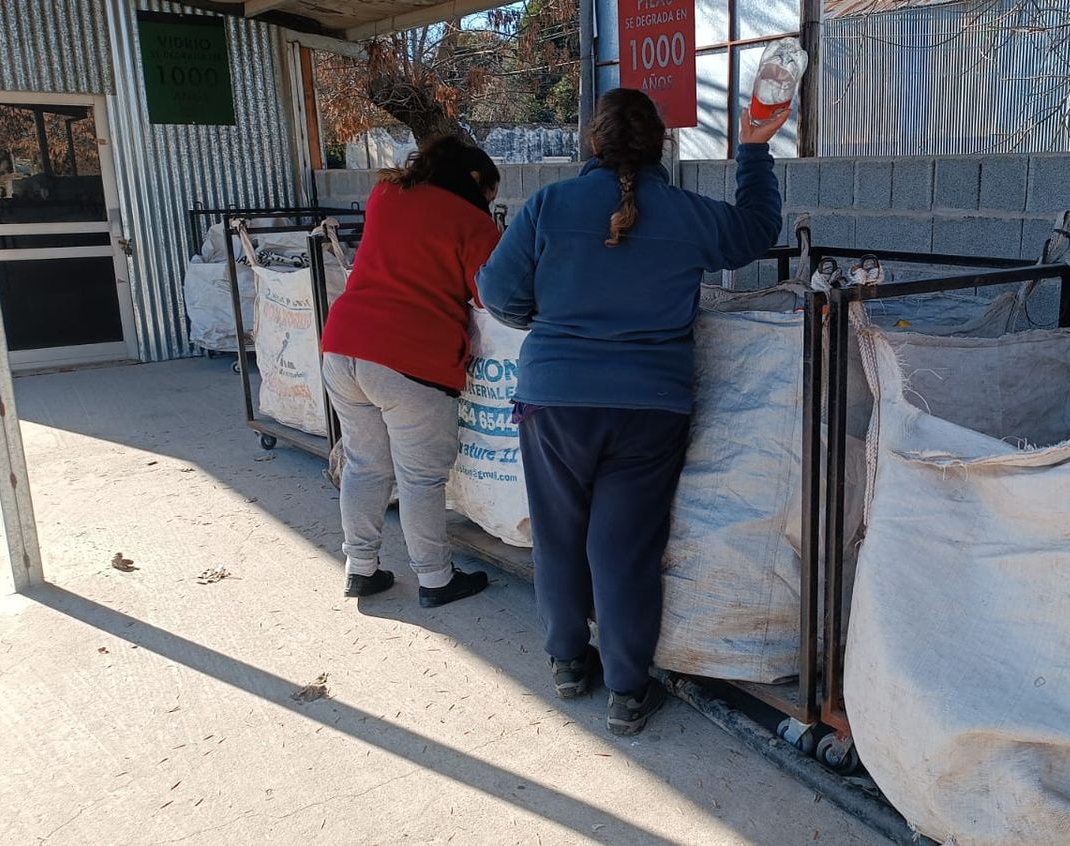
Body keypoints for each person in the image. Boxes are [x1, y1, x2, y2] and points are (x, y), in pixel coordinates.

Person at [478, 89, 788, 736]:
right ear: (661, 148)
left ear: (593, 144)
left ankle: (567, 663)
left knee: (559, 535)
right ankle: (626, 691)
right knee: (623, 550)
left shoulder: (548, 206)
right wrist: (754, 148)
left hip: (554, 400)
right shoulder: (686, 214)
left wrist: (559, 326)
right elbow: (758, 230)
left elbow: (497, 293)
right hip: (650, 408)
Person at [321, 135, 501, 607]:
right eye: (491, 193)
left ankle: (360, 568)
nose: (491, 204)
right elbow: (492, 296)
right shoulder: (473, 222)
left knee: (365, 464)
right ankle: (436, 579)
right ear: (476, 180)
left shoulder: (385, 193)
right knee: (421, 478)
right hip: (410, 357)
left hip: (342, 346)